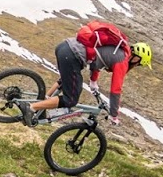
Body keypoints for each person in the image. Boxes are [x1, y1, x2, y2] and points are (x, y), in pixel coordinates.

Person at [20, 21, 151, 127]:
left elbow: (97, 61)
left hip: (65, 46)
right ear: (136, 59)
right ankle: (31, 108)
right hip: (71, 56)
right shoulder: (122, 60)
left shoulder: (117, 50)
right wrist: (114, 114)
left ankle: (42, 105)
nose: (135, 66)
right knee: (71, 99)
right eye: (139, 64)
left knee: (68, 81)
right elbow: (116, 90)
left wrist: (93, 82)